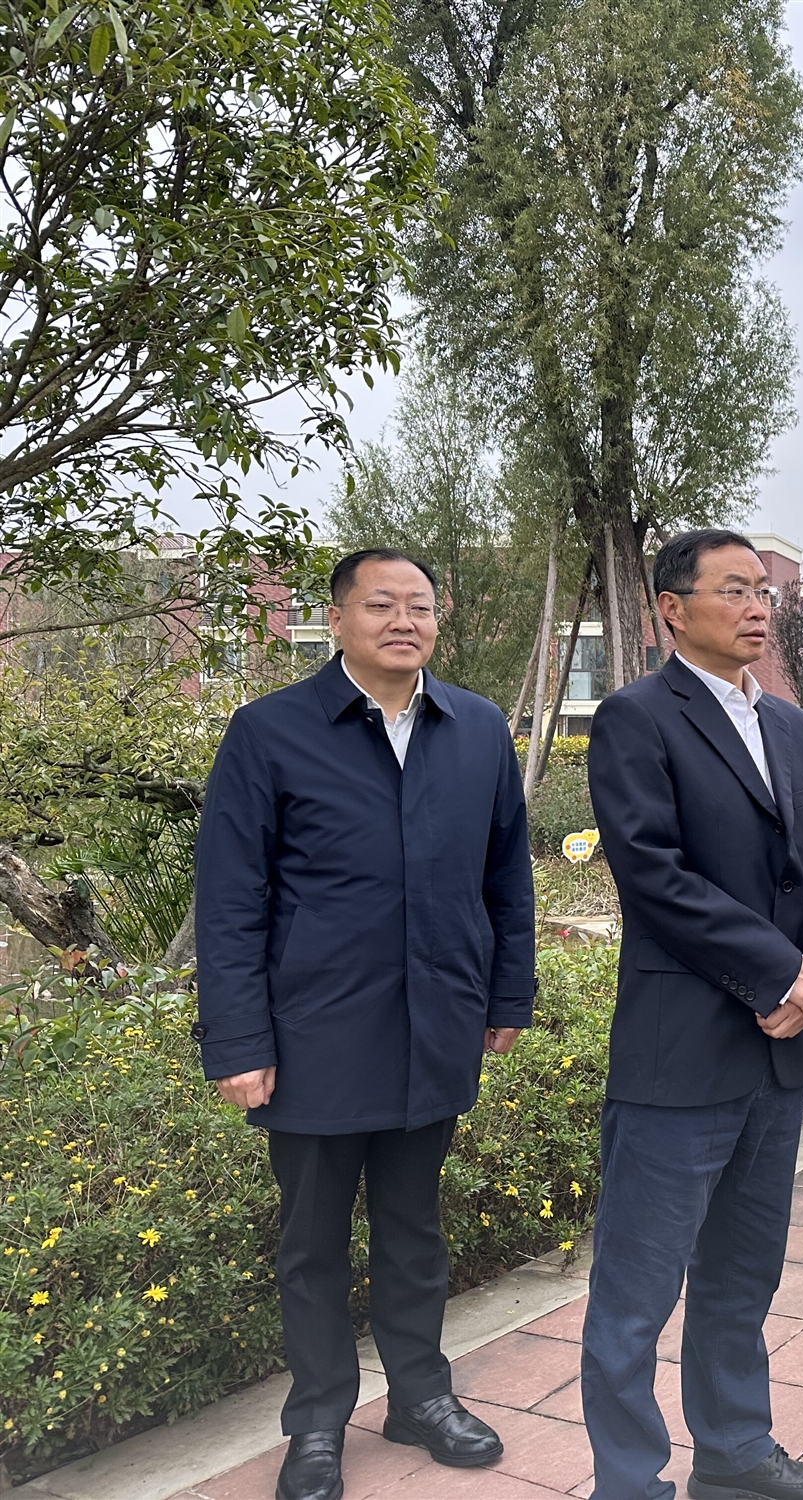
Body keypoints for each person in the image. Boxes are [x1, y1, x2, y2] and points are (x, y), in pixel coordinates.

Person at [194, 548, 537, 1500]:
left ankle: (420, 1397)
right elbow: (230, 900)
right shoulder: (270, 732)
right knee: (312, 1243)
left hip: (435, 1022)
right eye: (381, 604)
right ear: (337, 618)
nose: (403, 621)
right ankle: (316, 1423)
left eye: (419, 605)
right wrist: (239, 1041)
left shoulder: (477, 728)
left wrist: (507, 995)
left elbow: (506, 875)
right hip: (314, 1034)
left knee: (414, 1227)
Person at [583, 529, 803, 1500]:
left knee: (742, 1275)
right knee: (637, 1291)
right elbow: (654, 877)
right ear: (671, 608)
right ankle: (628, 1482)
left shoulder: (791, 724)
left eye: (762, 592)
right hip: (682, 1056)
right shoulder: (636, 719)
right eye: (733, 589)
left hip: (776, 1055)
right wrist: (780, 973)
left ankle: (734, 1453)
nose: (756, 607)